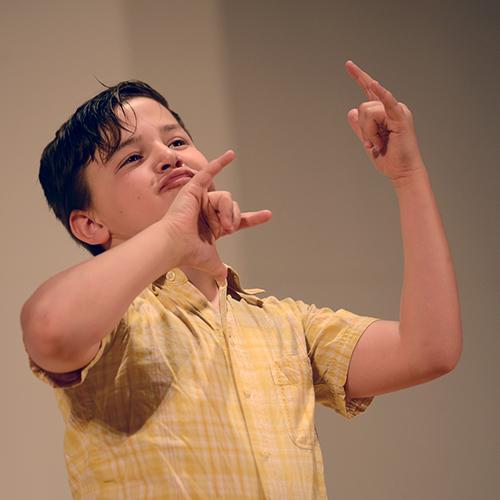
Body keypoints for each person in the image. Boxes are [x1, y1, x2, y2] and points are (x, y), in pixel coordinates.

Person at [21, 61, 462, 499]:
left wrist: (408, 177)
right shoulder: (114, 323)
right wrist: (173, 239)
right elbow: (50, 328)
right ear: (89, 225)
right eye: (132, 157)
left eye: (176, 140)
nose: (168, 155)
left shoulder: (284, 323)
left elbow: (429, 350)